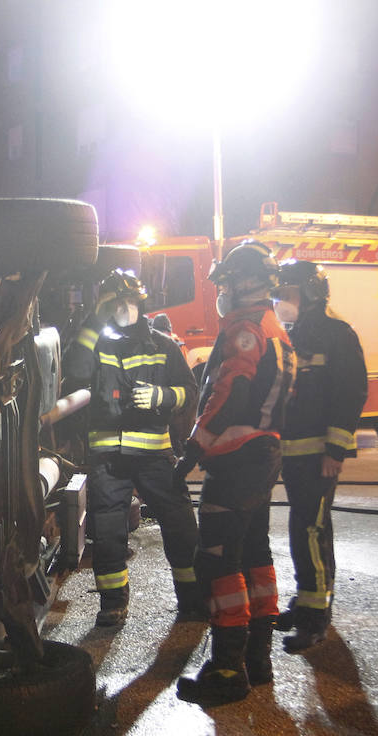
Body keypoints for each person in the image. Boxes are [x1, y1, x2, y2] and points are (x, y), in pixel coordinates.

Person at [174, 240, 294, 705]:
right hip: (263, 456)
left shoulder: (246, 329)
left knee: (218, 562)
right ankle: (257, 660)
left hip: (236, 459)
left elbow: (229, 393)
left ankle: (226, 670)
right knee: (254, 555)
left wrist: (192, 450)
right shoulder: (275, 327)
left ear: (245, 283)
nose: (221, 292)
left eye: (225, 283)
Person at [64, 269, 201, 627]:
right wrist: (94, 320)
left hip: (154, 454)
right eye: (115, 303)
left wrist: (162, 396)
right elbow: (75, 369)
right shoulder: (96, 343)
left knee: (180, 524)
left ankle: (192, 598)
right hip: (109, 457)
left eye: (129, 302)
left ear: (141, 304)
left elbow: (190, 391)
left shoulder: (163, 345)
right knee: (108, 531)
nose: (123, 309)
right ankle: (113, 603)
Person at [272, 260, 368, 653]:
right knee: (310, 529)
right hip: (294, 453)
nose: (282, 300)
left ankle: (314, 619)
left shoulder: (337, 335)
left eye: (288, 292)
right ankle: (310, 600)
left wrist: (334, 450)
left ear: (310, 293)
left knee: (308, 531)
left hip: (318, 456)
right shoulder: (291, 334)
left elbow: (351, 394)